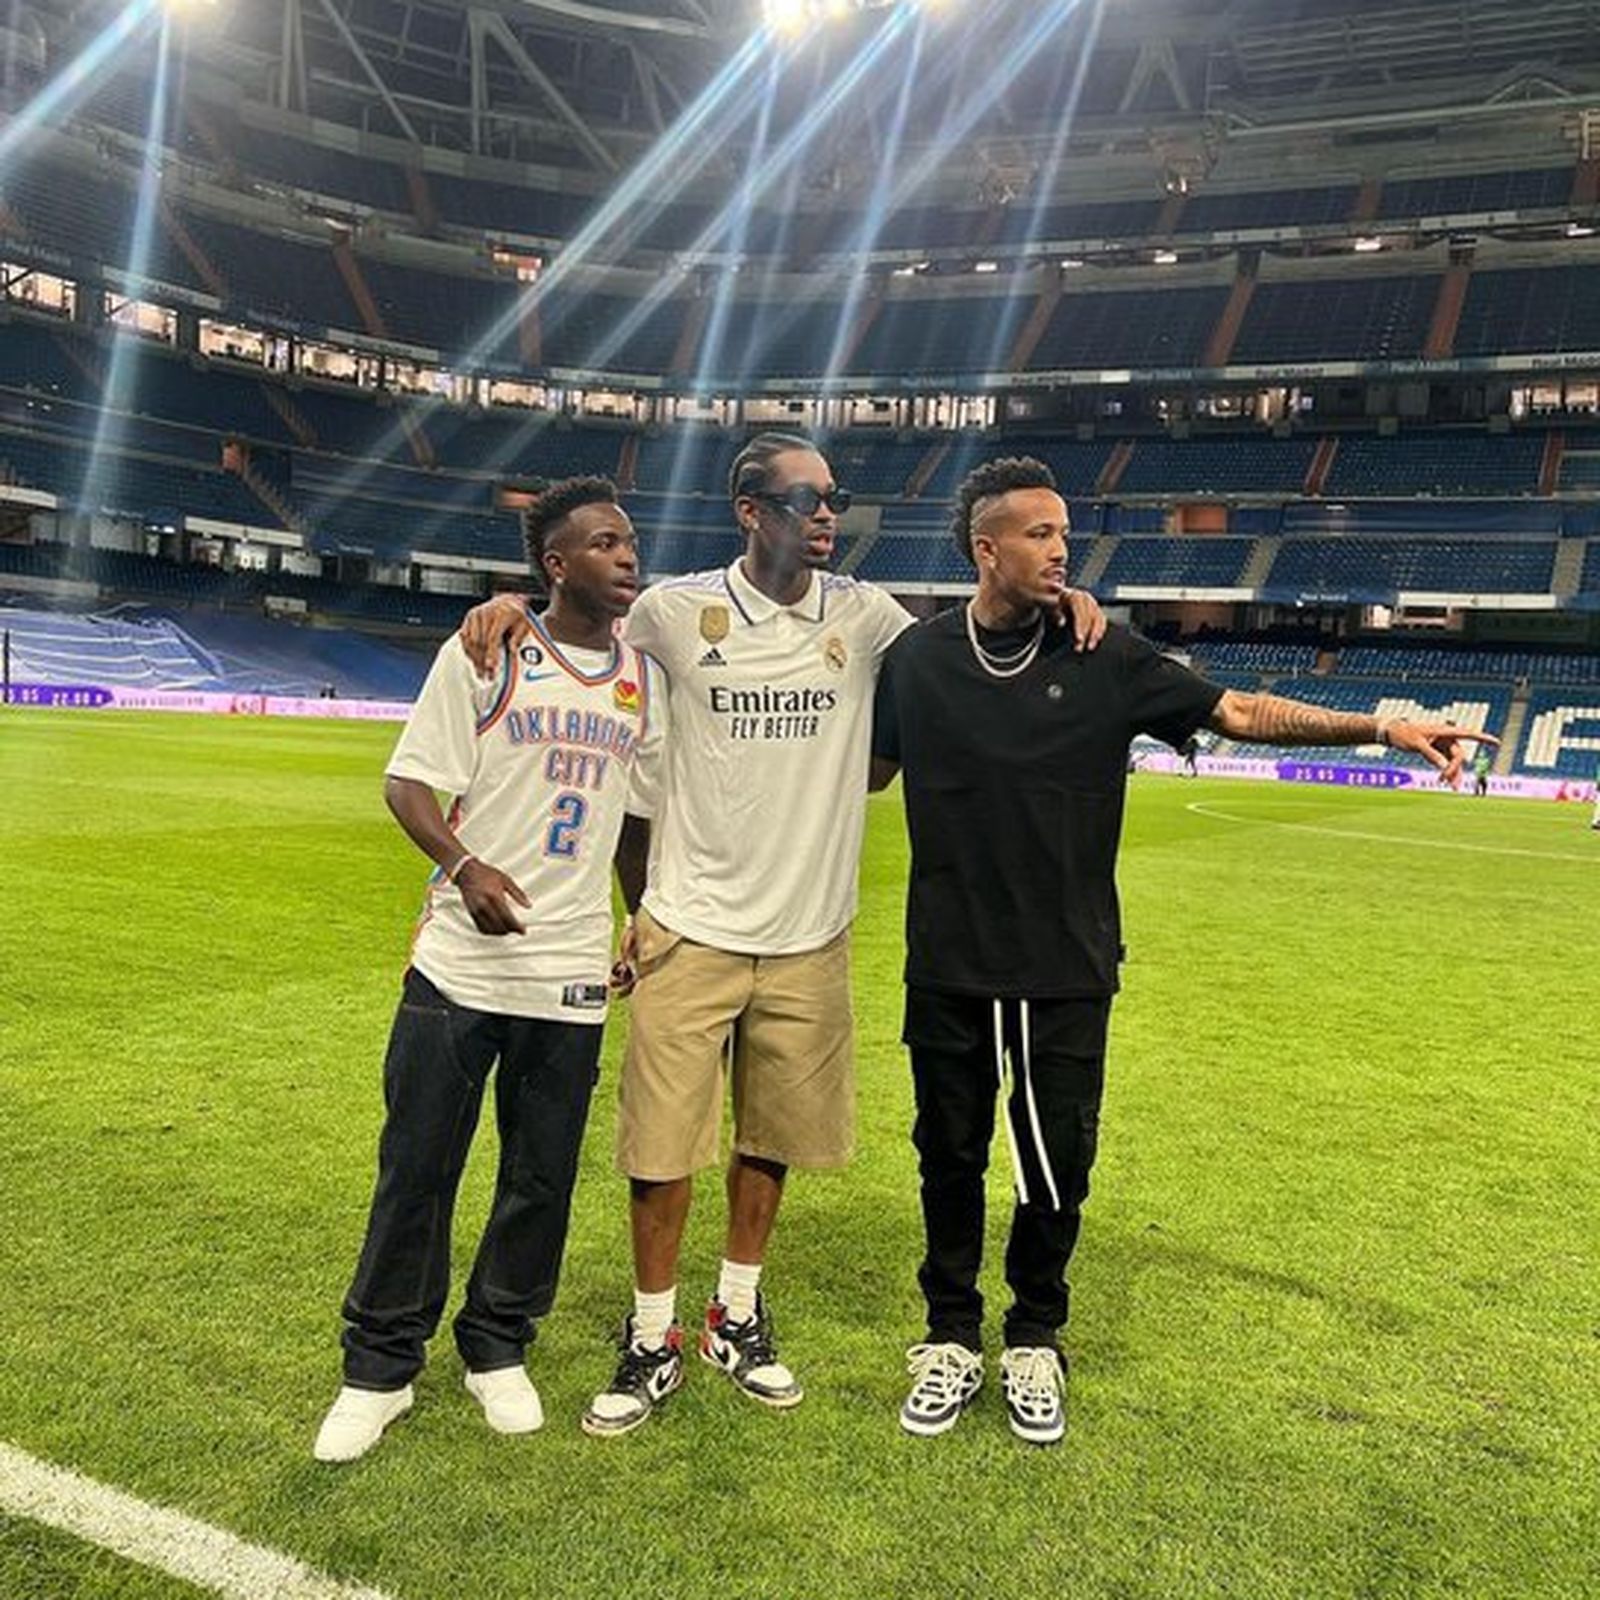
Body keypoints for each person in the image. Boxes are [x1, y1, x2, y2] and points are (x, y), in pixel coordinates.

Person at [458, 432, 1107, 1437]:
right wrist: (508, 605)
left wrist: (1058, 599)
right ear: (748, 510)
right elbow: (578, 625)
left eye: (833, 499)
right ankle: (651, 1332)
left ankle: (738, 1313)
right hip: (689, 923)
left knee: (770, 1140)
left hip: (810, 933)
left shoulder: (867, 615)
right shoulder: (677, 611)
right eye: (804, 499)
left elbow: (973, 628)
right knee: (661, 1146)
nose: (825, 516)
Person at [870, 457, 1497, 1448]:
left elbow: (1240, 713)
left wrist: (1384, 724)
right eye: (1039, 533)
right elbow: (858, 771)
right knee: (945, 1153)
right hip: (946, 957)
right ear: (985, 548)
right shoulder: (915, 661)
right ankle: (948, 1332)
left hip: (1066, 963)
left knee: (1052, 1165)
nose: (1060, 549)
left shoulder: (1105, 657)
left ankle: (1034, 1334)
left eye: (1064, 536)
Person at [313, 477, 663, 1463]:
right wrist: (462, 867)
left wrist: (637, 916)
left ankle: (497, 1343)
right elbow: (408, 779)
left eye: (630, 540)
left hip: (569, 970)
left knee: (539, 1178)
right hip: (459, 966)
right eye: (604, 542)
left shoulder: (643, 676)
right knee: (417, 1169)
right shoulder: (489, 648)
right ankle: (377, 1369)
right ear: (557, 563)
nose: (627, 556)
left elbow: (637, 816)